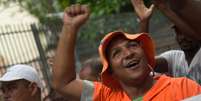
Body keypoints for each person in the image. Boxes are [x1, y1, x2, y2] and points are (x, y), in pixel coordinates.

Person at [52, 4, 201, 101]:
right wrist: (69, 27)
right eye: (116, 53)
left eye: (133, 46)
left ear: (146, 55)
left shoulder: (184, 87)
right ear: (111, 72)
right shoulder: (106, 96)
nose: (128, 54)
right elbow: (63, 83)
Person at [149, 0, 201, 84]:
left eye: (185, 31)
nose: (183, 37)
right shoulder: (175, 58)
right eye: (178, 32)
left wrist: (164, 8)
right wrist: (144, 22)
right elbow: (148, 63)